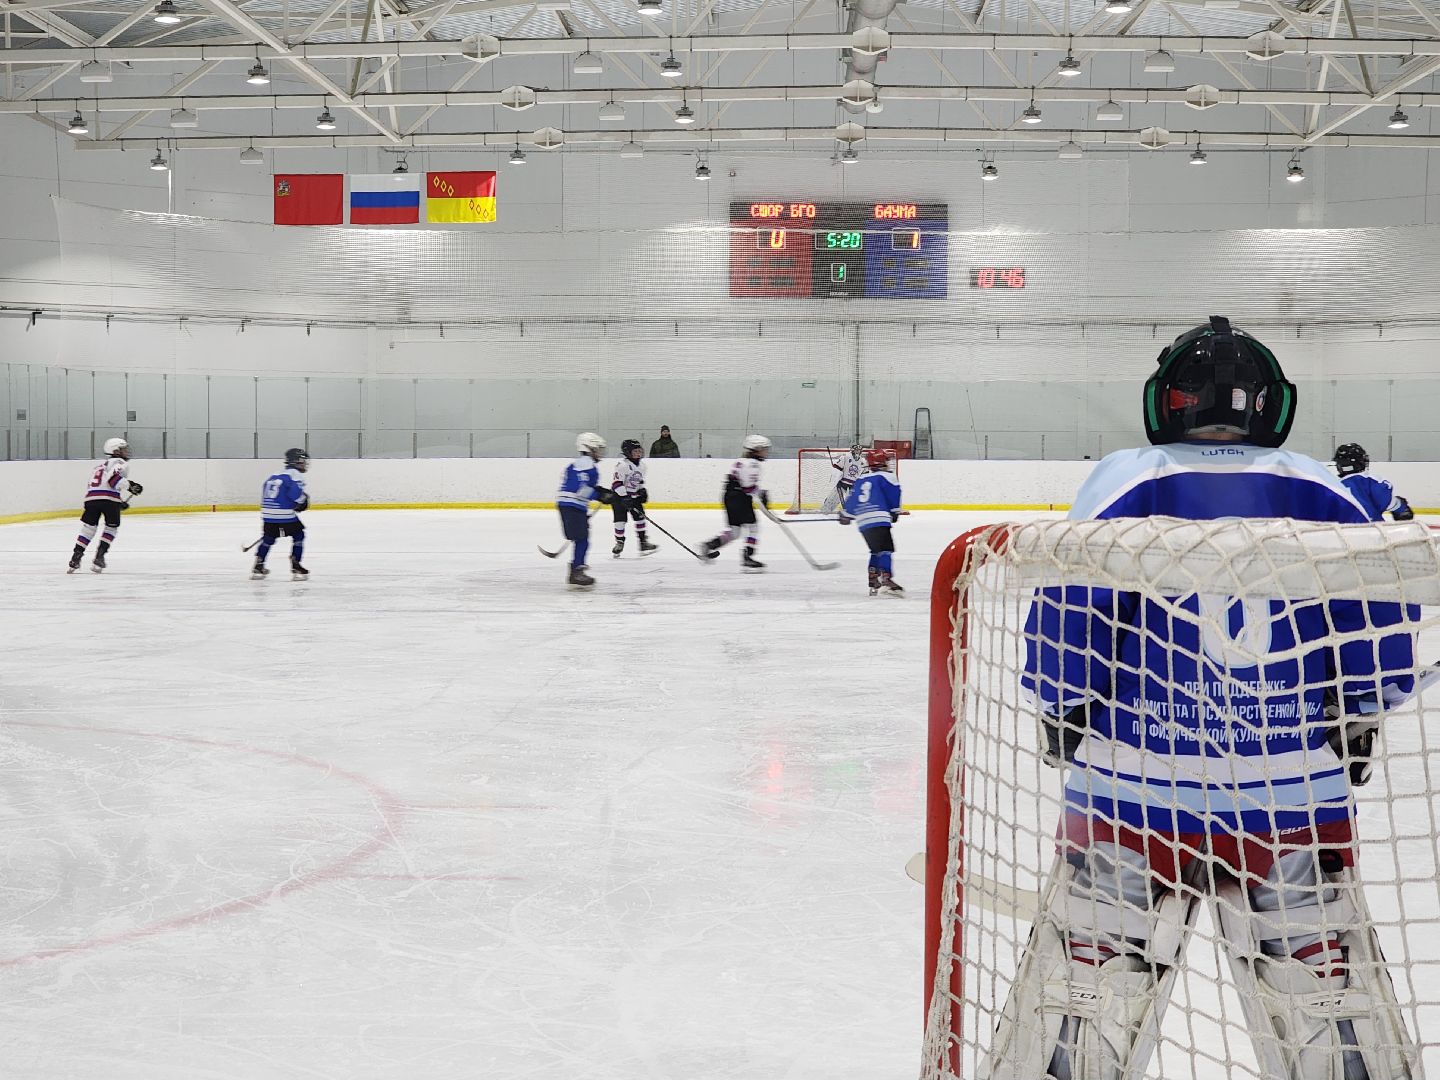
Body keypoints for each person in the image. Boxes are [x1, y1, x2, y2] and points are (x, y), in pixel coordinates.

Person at [991, 316, 1422, 1080]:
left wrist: (1061, 710)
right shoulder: (1320, 485)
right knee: (1321, 999)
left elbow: (1073, 607)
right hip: (1290, 798)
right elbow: (1375, 608)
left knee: (1086, 993)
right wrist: (1360, 715)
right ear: (1270, 404)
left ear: (1168, 400)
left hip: (1129, 794)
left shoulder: (1128, 475)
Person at [68, 436, 141, 574]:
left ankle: (76, 557)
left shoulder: (98, 467)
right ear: (116, 451)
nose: (126, 452)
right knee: (111, 528)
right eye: (123, 449)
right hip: (109, 501)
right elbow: (113, 480)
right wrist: (131, 486)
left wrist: (118, 502)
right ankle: (99, 557)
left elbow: (99, 487)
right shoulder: (119, 462)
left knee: (88, 529)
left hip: (91, 500)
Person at [839, 448, 903, 596]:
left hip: (863, 522)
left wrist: (845, 514)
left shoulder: (861, 479)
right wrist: (894, 511)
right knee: (886, 549)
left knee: (875, 549)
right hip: (879, 518)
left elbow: (853, 499)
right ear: (881, 462)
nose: (888, 463)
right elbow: (894, 494)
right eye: (886, 460)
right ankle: (886, 578)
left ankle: (873, 579)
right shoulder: (888, 476)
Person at [703, 434, 770, 571]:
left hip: (730, 496)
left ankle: (710, 545)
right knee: (753, 527)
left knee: (735, 531)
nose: (766, 452)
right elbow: (747, 487)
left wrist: (758, 493)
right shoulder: (753, 464)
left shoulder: (741, 461)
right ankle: (747, 557)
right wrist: (760, 494)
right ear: (755, 449)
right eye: (763, 449)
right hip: (740, 498)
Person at [557, 432, 613, 589]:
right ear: (589, 449)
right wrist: (600, 496)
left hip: (565, 504)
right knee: (582, 539)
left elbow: (578, 486)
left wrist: (600, 492)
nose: (600, 453)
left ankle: (576, 568)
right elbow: (582, 491)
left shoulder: (573, 465)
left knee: (580, 538)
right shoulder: (591, 468)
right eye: (598, 449)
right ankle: (576, 571)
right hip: (574, 506)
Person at [252, 448, 311, 580]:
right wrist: (302, 501)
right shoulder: (295, 474)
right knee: (299, 535)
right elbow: (295, 494)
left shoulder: (275, 474)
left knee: (268, 538)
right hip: (283, 513)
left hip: (267, 513)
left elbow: (266, 491)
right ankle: (296, 564)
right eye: (302, 460)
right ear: (296, 461)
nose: (304, 463)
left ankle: (259, 564)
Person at [1334, 442, 1415, 522]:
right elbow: (1386, 500)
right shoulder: (1370, 481)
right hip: (1374, 530)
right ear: (1360, 461)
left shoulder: (1333, 485)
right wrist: (1400, 506)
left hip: (1342, 532)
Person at [611, 439, 658, 558]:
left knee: (640, 518)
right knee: (620, 521)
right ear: (627, 452)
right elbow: (616, 484)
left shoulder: (642, 466)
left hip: (634, 497)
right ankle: (619, 542)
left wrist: (642, 490)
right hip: (619, 497)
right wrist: (625, 497)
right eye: (635, 451)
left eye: (639, 451)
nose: (638, 453)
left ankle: (643, 543)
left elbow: (639, 481)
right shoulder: (622, 466)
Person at [821, 443, 869, 515]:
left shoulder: (863, 462)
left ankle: (851, 514)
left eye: (859, 451)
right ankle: (824, 513)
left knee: (851, 505)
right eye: (856, 450)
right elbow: (837, 469)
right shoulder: (845, 457)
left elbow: (865, 475)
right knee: (831, 500)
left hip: (854, 486)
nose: (857, 452)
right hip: (842, 484)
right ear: (852, 450)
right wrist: (836, 476)